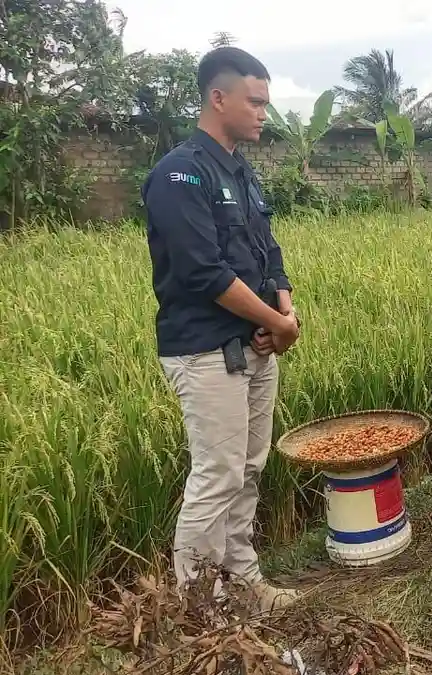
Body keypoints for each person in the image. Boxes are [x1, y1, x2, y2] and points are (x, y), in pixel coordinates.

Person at [143, 48, 300, 610]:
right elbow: (203, 272)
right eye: (255, 102)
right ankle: (197, 611)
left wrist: (284, 316)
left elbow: (269, 253)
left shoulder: (243, 173)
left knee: (248, 470)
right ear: (219, 98)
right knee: (217, 475)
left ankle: (244, 585)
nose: (264, 112)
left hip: (256, 345)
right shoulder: (179, 174)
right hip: (207, 350)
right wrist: (276, 323)